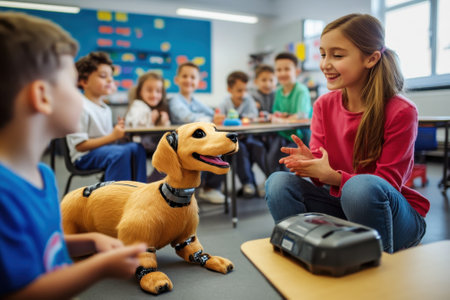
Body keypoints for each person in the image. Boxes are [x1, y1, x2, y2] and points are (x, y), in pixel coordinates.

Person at [0, 12, 146, 299]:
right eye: (71, 82)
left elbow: (46, 246)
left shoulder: (43, 175)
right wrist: (99, 268)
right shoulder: (5, 195)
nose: (78, 92)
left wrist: (89, 240)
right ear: (42, 96)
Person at [265, 13, 429, 253]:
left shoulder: (401, 111)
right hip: (345, 205)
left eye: (337, 55)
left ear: (371, 59)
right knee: (278, 183)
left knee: (360, 188)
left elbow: (387, 184)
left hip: (394, 217)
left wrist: (332, 176)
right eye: (323, 54)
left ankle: (370, 263)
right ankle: (306, 251)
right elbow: (322, 177)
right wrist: (312, 164)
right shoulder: (323, 104)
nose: (324, 64)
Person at [67, 52, 147, 183]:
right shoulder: (80, 106)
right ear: (84, 81)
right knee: (120, 154)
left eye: (111, 76)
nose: (110, 80)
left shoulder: (106, 108)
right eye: (103, 76)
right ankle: (116, 199)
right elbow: (80, 146)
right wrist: (112, 136)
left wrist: (118, 135)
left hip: (103, 150)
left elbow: (107, 140)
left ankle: (140, 191)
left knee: (137, 148)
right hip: (84, 157)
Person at [169, 62, 225, 204]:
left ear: (198, 82)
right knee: (212, 148)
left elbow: (212, 113)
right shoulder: (174, 100)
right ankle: (206, 187)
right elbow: (187, 118)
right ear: (177, 80)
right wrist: (212, 118)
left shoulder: (195, 101)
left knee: (223, 146)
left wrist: (216, 116)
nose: (189, 80)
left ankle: (210, 187)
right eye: (185, 76)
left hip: (197, 140)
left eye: (193, 77)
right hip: (182, 144)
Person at [217, 71, 265, 197]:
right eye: (239, 90)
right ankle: (248, 183)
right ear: (229, 89)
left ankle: (268, 179)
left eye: (245, 90)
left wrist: (246, 118)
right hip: (232, 140)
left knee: (259, 147)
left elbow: (254, 117)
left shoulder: (249, 100)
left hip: (248, 137)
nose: (243, 94)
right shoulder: (224, 103)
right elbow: (219, 119)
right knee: (240, 150)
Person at [267, 52, 312, 173]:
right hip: (283, 134)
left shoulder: (301, 90)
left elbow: (302, 116)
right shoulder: (278, 91)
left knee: (289, 164)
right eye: (279, 70)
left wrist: (283, 119)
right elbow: (276, 112)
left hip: (300, 137)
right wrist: (278, 116)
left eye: (286, 69)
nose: (282, 73)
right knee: (270, 160)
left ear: (296, 71)